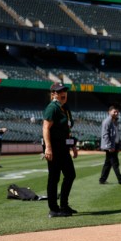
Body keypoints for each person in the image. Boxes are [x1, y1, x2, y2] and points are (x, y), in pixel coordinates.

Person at [42, 82, 78, 218]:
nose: (63, 93)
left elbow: (67, 129)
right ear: (53, 95)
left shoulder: (65, 108)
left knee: (70, 174)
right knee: (54, 178)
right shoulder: (52, 108)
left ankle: (64, 205)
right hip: (54, 148)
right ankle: (53, 209)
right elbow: (46, 128)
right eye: (59, 91)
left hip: (64, 147)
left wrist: (72, 146)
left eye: (64, 91)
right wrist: (48, 148)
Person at [99, 106, 121, 185]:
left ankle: (102, 180)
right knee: (115, 163)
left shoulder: (114, 121)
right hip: (110, 146)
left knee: (108, 163)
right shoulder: (107, 121)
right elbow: (105, 135)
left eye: (117, 112)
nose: (116, 113)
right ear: (109, 112)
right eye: (114, 112)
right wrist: (109, 146)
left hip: (114, 145)